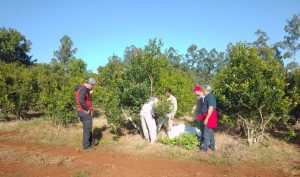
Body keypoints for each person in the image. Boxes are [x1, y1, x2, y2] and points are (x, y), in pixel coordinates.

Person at [75, 78, 96, 151]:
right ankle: (86, 147)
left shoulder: (81, 88)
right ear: (90, 84)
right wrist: (87, 109)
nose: (92, 87)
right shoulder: (84, 89)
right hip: (84, 111)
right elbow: (81, 100)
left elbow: (81, 96)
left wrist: (89, 93)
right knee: (87, 129)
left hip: (81, 111)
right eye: (92, 85)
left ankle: (88, 145)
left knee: (88, 128)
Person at [198, 85, 217, 152]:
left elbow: (210, 108)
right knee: (210, 132)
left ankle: (204, 149)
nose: (203, 91)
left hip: (210, 116)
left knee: (206, 132)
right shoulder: (207, 97)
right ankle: (212, 147)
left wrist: (207, 119)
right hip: (208, 115)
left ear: (207, 90)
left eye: (203, 90)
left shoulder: (210, 97)